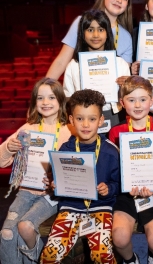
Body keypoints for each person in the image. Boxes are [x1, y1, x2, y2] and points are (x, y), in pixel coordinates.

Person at [40, 89, 120, 264]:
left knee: (102, 255)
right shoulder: (65, 150)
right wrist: (55, 185)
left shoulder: (111, 152)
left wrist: (109, 189)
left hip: (100, 208)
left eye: (91, 119)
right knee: (49, 256)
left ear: (101, 121)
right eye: (79, 118)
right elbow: (57, 180)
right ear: (71, 120)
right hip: (70, 207)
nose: (85, 124)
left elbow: (118, 184)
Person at [0, 78, 74, 264]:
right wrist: (10, 147)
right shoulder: (28, 129)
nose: (45, 102)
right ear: (34, 102)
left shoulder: (70, 130)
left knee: (25, 227)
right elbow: (2, 162)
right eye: (40, 98)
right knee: (7, 232)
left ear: (60, 100)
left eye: (51, 97)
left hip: (51, 195)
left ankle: (37, 259)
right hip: (26, 191)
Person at [109, 76, 153, 264]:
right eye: (131, 99)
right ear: (122, 103)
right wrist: (125, 184)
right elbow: (115, 168)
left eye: (143, 99)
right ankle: (131, 260)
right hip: (127, 194)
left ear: (152, 101)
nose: (137, 105)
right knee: (119, 237)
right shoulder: (116, 132)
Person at [46, 0, 133, 80]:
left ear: (127, 5)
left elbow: (124, 74)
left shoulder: (126, 37)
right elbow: (61, 62)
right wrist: (45, 88)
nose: (119, 0)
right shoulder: (81, 23)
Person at [63, 9, 130, 130]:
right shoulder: (73, 65)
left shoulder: (120, 64)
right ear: (82, 34)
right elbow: (67, 97)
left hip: (114, 116)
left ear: (107, 33)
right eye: (90, 30)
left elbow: (128, 99)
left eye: (100, 30)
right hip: (84, 120)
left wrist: (127, 87)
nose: (95, 35)